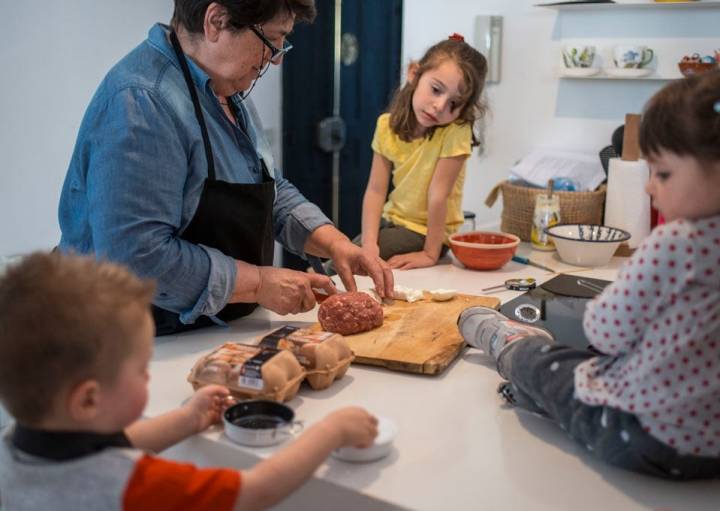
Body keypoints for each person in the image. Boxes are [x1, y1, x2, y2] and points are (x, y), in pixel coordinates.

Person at [57, 0, 393, 336]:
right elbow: (137, 258)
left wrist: (334, 243)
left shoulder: (224, 90)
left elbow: (268, 189)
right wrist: (258, 282)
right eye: (273, 40)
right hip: (128, 342)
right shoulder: (142, 101)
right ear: (216, 21)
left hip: (205, 331)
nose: (276, 58)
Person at [458, 70, 720, 480]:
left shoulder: (675, 244)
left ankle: (507, 345)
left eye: (663, 174)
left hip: (644, 437)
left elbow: (605, 333)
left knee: (543, 361)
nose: (651, 188)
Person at [0, 252, 378, 510]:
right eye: (141, 369)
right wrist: (333, 430)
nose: (149, 376)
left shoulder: (18, 445)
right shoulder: (133, 484)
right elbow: (253, 491)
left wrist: (187, 420)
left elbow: (107, 445)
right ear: (87, 400)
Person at [358, 33, 487, 270]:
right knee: (346, 256)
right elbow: (376, 191)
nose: (440, 106)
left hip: (427, 233)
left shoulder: (456, 130)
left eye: (454, 104)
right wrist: (368, 243)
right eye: (436, 90)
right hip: (392, 223)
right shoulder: (386, 126)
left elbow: (438, 196)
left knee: (341, 266)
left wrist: (430, 254)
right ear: (414, 74)